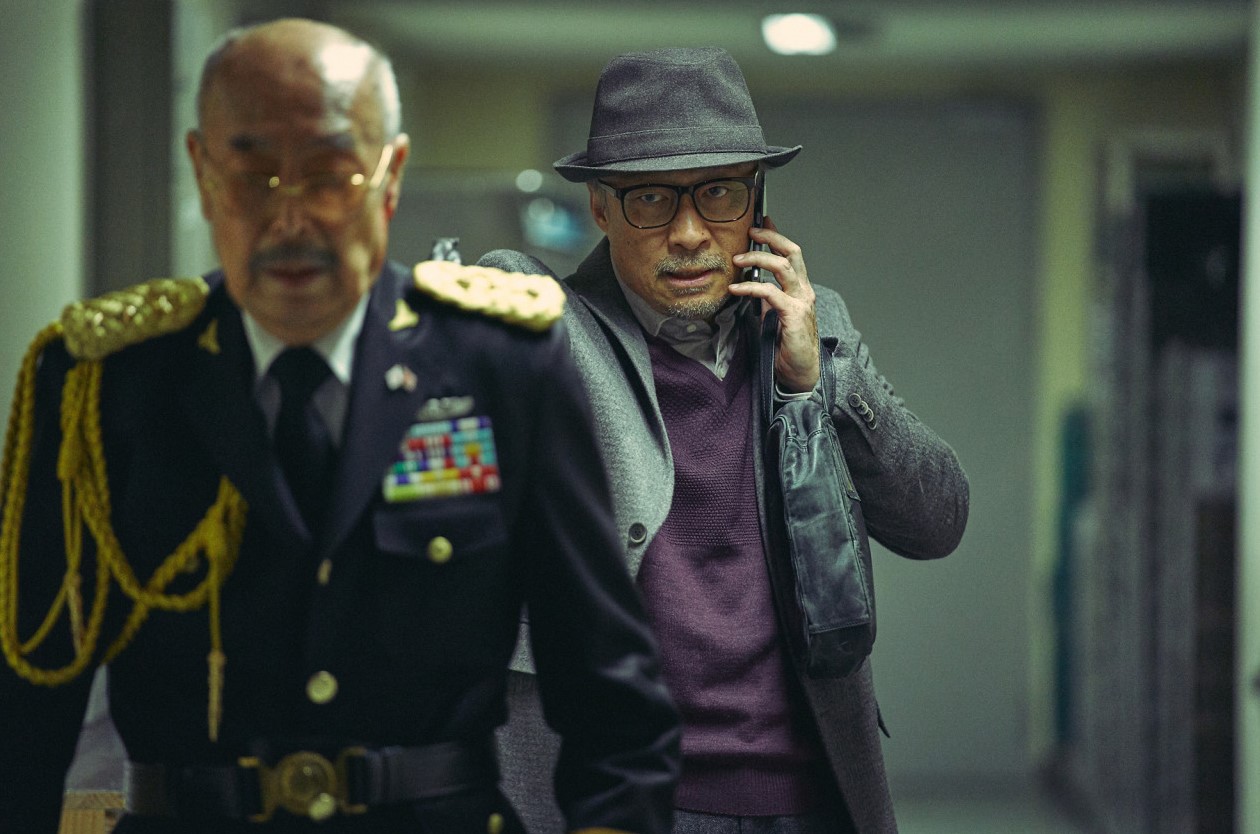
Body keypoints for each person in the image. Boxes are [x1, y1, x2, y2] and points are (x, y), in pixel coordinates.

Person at [0, 19, 680, 833]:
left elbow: (614, 701)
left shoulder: (500, 366)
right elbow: (26, 708)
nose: (290, 219)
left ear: (390, 177)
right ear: (203, 176)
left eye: (329, 175)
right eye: (253, 176)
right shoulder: (105, 383)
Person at [486, 48, 969, 834]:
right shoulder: (555, 332)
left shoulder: (813, 323)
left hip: (809, 796)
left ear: (757, 204)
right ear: (601, 209)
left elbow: (938, 521)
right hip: (625, 796)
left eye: (718, 193)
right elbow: (503, 296)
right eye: (649, 198)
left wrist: (821, 377)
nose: (688, 233)